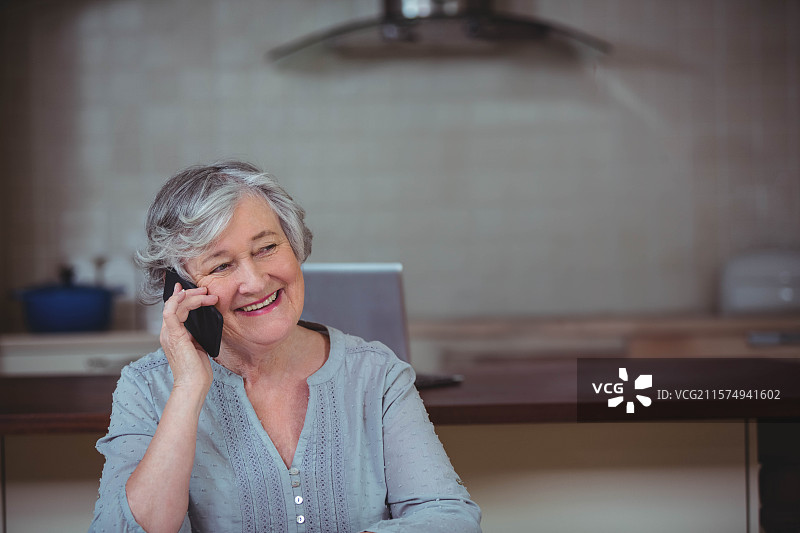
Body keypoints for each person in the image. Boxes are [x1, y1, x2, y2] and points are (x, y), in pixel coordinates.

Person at [89, 161, 481, 533]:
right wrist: (188, 389)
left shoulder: (376, 375)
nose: (256, 282)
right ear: (181, 291)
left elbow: (448, 517)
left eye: (266, 248)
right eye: (221, 265)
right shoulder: (145, 388)